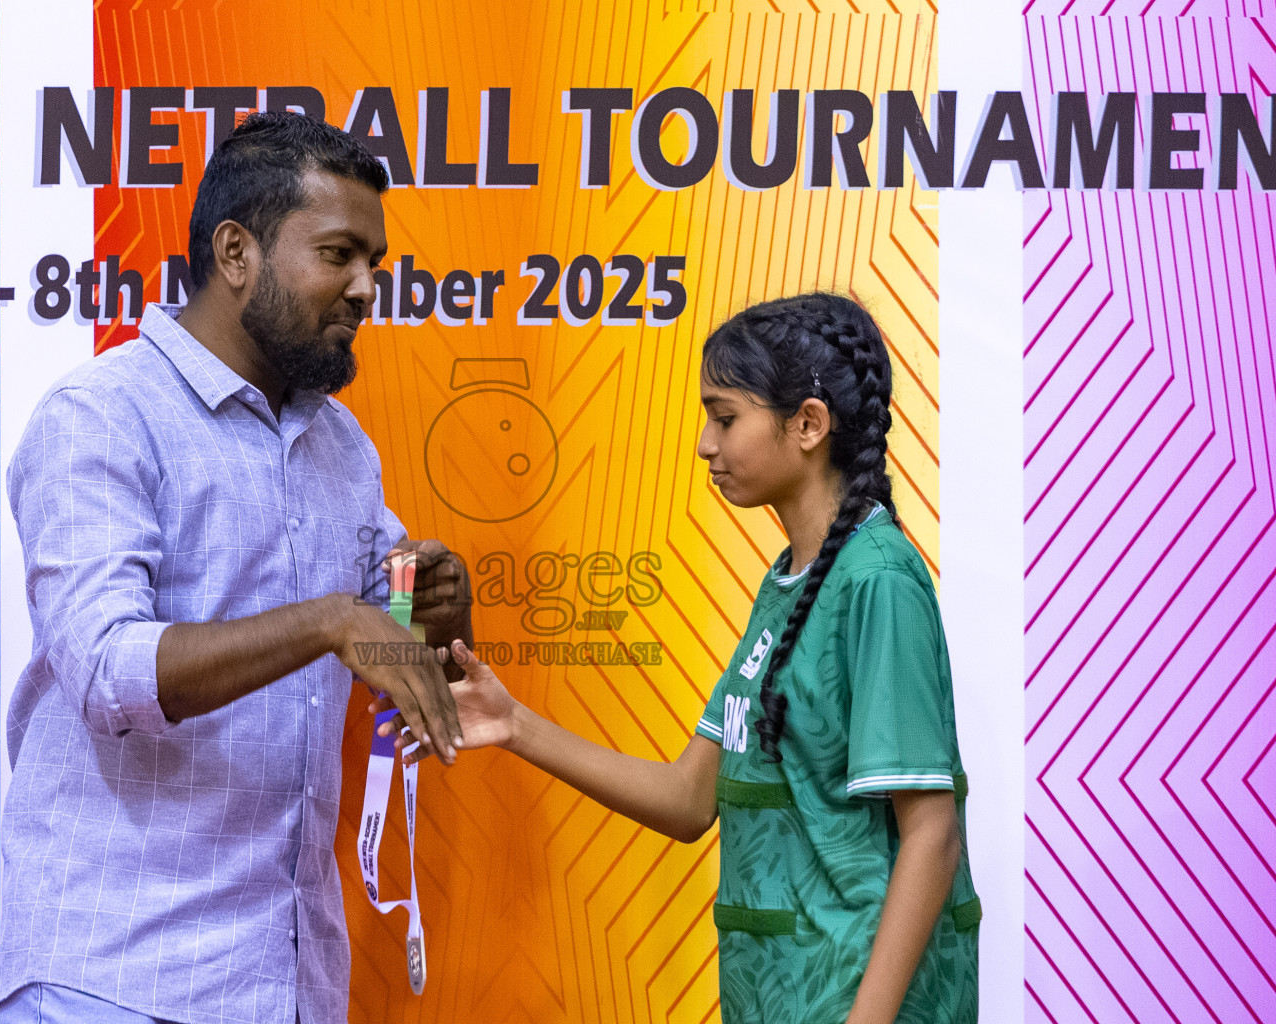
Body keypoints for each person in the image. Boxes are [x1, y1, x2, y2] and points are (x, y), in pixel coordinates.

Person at [0, 112, 472, 1024]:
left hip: (287, 988)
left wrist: (431, 600)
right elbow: (104, 670)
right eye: (338, 255)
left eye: (374, 262)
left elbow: (393, 636)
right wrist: (329, 621)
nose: (368, 288)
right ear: (237, 251)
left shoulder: (341, 447)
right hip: (113, 984)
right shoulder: (102, 414)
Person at [376, 292, 981, 1023]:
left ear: (808, 424)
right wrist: (513, 724)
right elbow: (690, 800)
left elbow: (932, 835)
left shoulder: (876, 580)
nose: (704, 443)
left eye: (725, 417)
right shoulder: (790, 582)